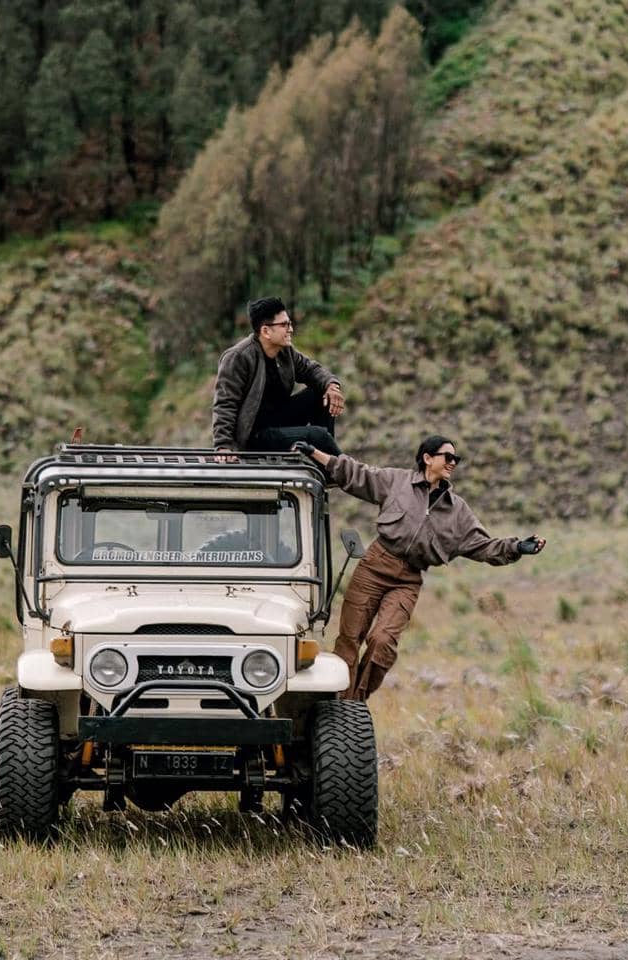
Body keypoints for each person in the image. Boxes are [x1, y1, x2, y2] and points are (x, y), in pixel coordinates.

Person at [292, 434, 546, 700]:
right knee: (349, 640)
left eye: (456, 459)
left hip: (407, 580)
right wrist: (314, 453)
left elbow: (484, 545)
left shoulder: (457, 510)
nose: (453, 463)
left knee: (382, 642)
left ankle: (354, 704)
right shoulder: (396, 481)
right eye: (448, 457)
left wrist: (516, 547)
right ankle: (339, 707)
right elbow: (356, 473)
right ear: (427, 458)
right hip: (374, 567)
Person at [212, 296, 345, 455]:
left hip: (278, 422)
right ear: (266, 331)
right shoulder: (239, 357)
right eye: (284, 325)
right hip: (254, 435)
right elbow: (225, 403)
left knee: (321, 393)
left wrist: (331, 386)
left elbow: (311, 370)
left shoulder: (285, 351)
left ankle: (327, 465)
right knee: (318, 436)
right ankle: (340, 470)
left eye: (289, 323)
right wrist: (223, 446)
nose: (291, 329)